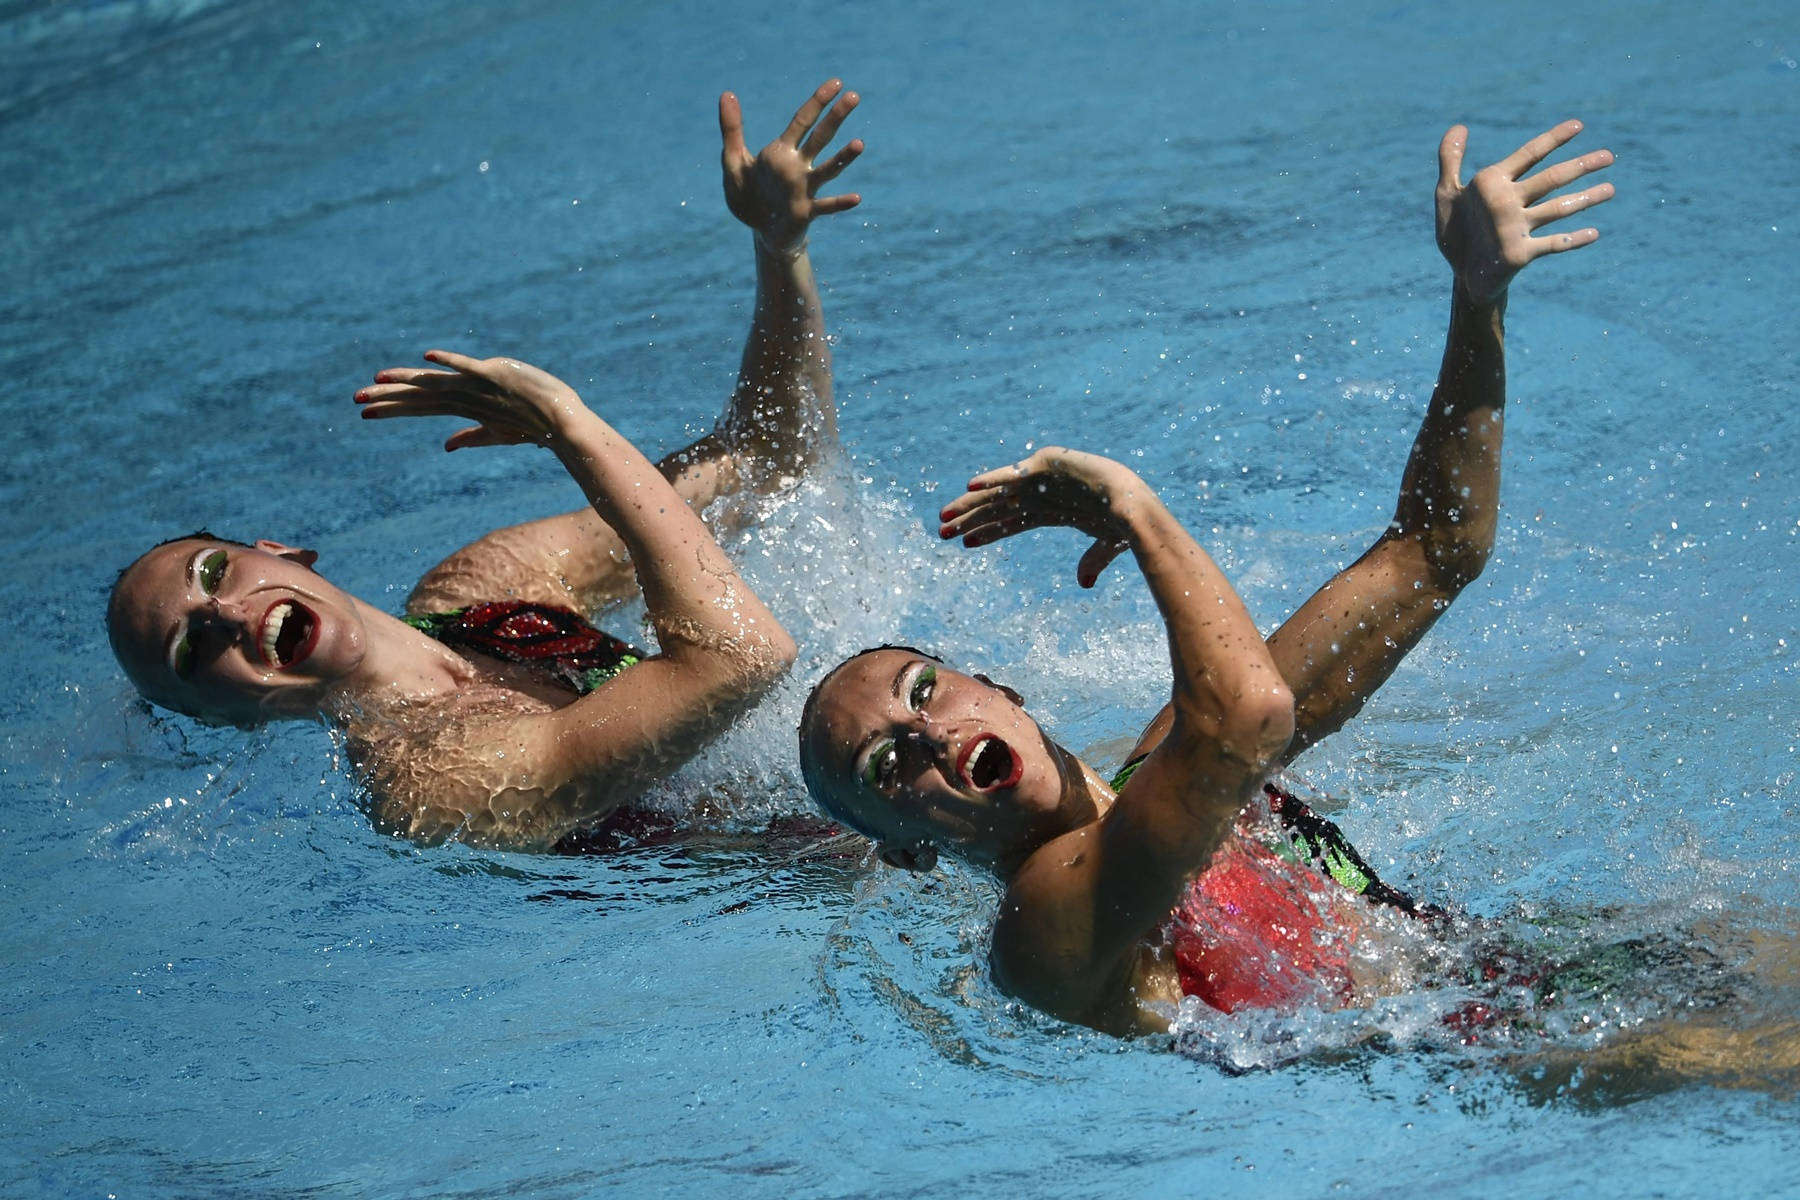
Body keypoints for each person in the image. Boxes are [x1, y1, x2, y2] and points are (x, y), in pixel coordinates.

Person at [798, 120, 1617, 1035]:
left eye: (926, 692)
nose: (931, 736)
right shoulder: (1039, 931)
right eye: (887, 764)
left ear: (1000, 691)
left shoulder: (1174, 757)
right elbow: (1246, 717)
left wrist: (1478, 301)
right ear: (908, 851)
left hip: (1547, 977)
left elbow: (1434, 552)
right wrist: (1136, 512)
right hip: (1508, 1058)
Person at [108, 80, 866, 853]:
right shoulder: (432, 791)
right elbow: (741, 659)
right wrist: (568, 428)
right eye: (191, 650)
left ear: (281, 552)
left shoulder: (481, 591)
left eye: (213, 576)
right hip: (834, 898)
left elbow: (767, 460)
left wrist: (781, 251)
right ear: (228, 719)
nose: (225, 617)